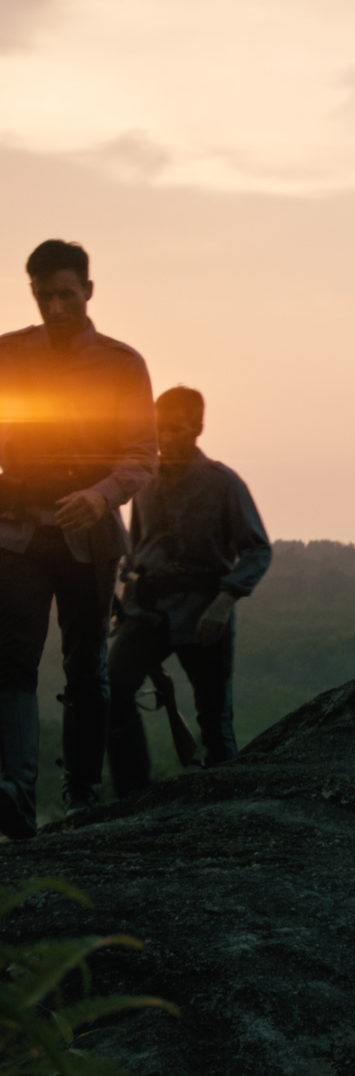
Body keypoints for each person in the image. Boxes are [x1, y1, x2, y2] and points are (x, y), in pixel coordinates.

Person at [0, 240, 156, 834]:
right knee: (11, 665)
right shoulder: (8, 354)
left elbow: (143, 455)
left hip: (88, 534)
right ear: (33, 294)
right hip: (16, 531)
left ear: (88, 291)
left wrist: (99, 495)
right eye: (45, 297)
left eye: (67, 294)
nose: (57, 308)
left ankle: (82, 795)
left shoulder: (121, 364)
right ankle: (16, 793)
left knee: (86, 665)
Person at [100, 386, 271, 794]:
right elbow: (137, 546)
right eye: (160, 430)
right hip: (147, 609)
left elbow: (257, 549)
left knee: (213, 715)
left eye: (176, 429)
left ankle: (225, 801)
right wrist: (123, 599)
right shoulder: (143, 479)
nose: (166, 438)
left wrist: (224, 602)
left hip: (203, 606)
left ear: (197, 428)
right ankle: (133, 795)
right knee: (111, 690)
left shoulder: (223, 483)